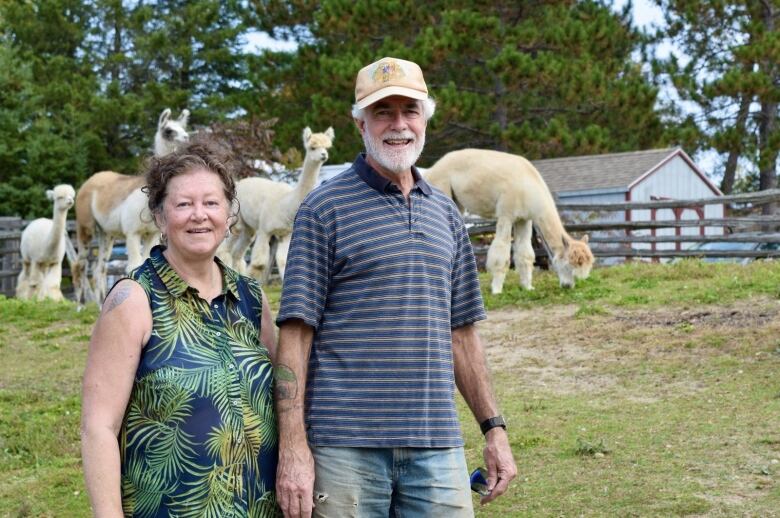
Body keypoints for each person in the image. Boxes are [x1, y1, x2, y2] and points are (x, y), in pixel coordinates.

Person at [273, 57, 517, 518]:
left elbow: (462, 334)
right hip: (344, 448)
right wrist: (293, 447)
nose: (399, 124)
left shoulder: (445, 214)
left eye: (410, 110)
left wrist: (494, 429)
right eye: (383, 112)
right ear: (359, 122)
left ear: (426, 118)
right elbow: (295, 335)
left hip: (436, 446)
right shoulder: (324, 209)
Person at [80, 142, 281, 517]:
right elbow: (98, 428)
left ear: (229, 213)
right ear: (158, 216)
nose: (199, 216)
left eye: (211, 203)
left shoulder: (253, 299)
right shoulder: (134, 301)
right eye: (183, 204)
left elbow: (282, 396)